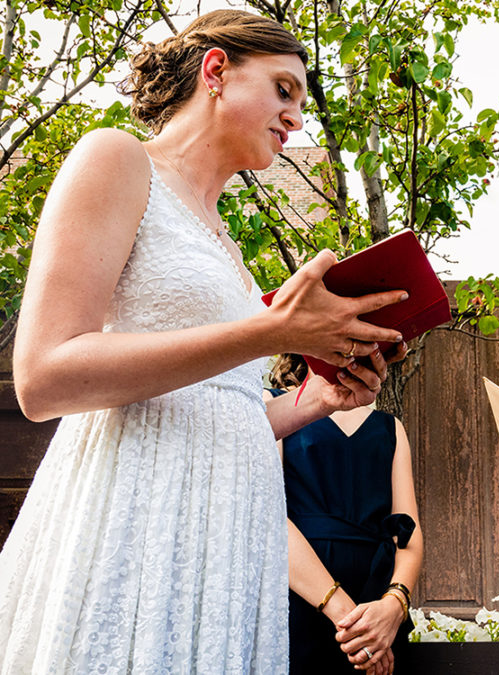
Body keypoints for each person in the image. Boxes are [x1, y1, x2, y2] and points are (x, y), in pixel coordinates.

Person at [0, 10, 409, 672]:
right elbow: (43, 376)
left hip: (224, 547)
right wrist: (272, 327)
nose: (295, 117)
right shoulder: (118, 159)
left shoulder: (230, 247)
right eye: (283, 90)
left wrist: (317, 399)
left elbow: (222, 407)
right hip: (135, 522)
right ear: (216, 71)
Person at [268, 355, 423, 674]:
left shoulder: (390, 428)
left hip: (377, 606)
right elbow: (270, 522)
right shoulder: (275, 410)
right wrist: (352, 623)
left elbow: (409, 534)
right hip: (301, 601)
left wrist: (393, 606)